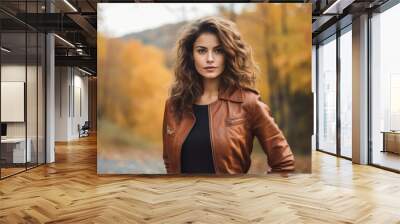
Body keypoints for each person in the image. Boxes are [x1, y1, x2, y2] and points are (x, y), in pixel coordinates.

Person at [162, 16, 295, 174]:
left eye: (218, 51)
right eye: (201, 50)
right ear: (191, 56)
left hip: (229, 198)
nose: (210, 59)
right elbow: (170, 162)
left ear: (229, 54)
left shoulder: (248, 102)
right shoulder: (174, 105)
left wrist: (258, 193)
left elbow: (284, 163)